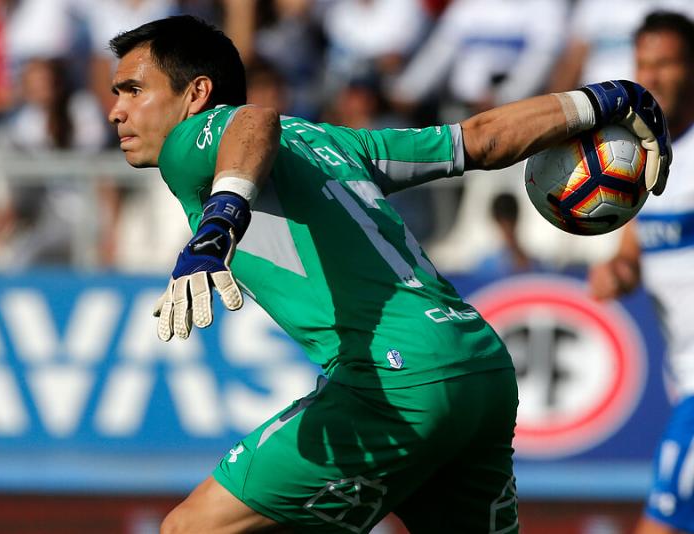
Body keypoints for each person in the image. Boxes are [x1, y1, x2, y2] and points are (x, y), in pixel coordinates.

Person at [107, 16, 671, 533]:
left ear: (197, 94)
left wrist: (220, 222)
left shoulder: (190, 142)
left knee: (190, 529)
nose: (116, 111)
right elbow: (481, 139)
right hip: (479, 365)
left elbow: (252, 120)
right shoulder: (336, 141)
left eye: (133, 89)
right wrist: (605, 99)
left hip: (395, 381)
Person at [588, 11, 694, 534]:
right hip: (681, 373)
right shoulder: (640, 156)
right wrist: (618, 271)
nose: (652, 77)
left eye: (667, 63)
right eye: (644, 65)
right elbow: (634, 253)